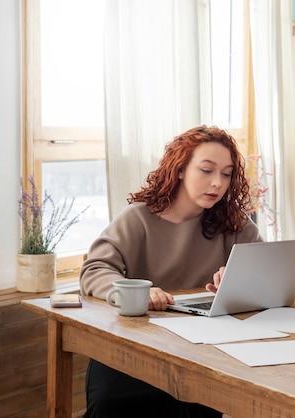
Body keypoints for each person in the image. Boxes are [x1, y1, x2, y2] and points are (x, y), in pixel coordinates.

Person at [80, 125, 262, 418]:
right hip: (134, 352)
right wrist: (134, 292)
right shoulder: (139, 218)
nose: (217, 182)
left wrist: (239, 278)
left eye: (226, 174)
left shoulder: (234, 224)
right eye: (206, 170)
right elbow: (95, 268)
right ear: (179, 170)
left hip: (201, 355)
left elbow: (265, 270)